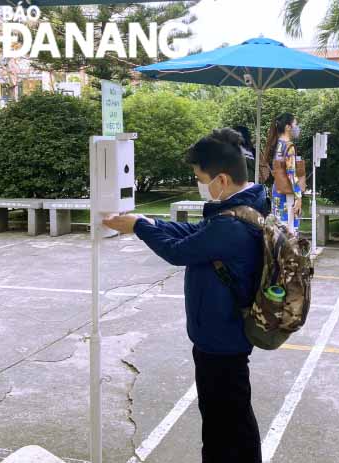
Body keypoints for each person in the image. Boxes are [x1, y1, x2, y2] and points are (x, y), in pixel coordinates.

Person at [103, 128, 268, 463]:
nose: (199, 183)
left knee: (224, 423)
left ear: (221, 179)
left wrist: (138, 227)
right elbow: (194, 233)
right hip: (226, 335)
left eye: (200, 177)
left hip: (220, 339)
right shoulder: (241, 209)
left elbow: (178, 252)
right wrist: (151, 221)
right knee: (233, 416)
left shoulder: (232, 226)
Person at [261, 113, 303, 232]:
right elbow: (291, 173)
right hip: (287, 193)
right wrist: (298, 197)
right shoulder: (289, 147)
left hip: (277, 190)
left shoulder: (277, 145)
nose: (297, 127)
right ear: (287, 127)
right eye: (295, 124)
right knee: (290, 233)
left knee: (279, 230)